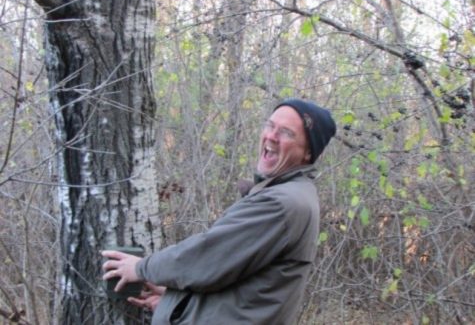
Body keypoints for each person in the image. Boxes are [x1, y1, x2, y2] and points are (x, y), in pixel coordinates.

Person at [102, 98, 336, 324]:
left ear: (308, 153)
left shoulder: (282, 203)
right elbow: (245, 286)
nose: (271, 136)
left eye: (286, 132)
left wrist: (142, 269)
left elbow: (207, 259)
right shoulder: (293, 194)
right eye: (270, 125)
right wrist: (174, 302)